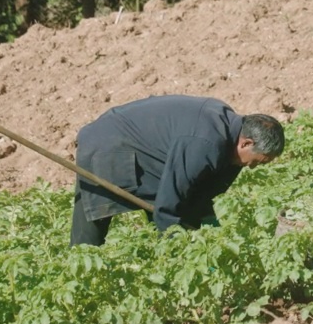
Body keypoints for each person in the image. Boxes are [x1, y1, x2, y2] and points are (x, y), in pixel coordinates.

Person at [70, 94, 285, 246]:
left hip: (139, 147)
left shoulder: (228, 133)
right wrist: (182, 249)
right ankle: (77, 278)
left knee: (180, 207)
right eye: (257, 161)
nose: (253, 167)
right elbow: (168, 206)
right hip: (108, 145)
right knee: (90, 234)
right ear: (246, 143)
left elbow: (197, 194)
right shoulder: (204, 142)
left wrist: (210, 230)